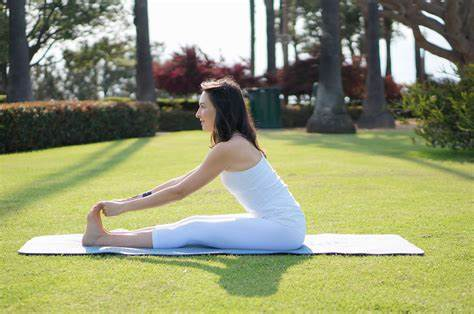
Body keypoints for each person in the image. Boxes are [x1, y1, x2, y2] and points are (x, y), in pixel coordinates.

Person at [82, 76, 307, 250]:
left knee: (193, 228)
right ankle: (108, 236)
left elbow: (179, 192)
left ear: (222, 110)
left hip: (283, 230)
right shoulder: (233, 144)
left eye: (203, 107)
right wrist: (127, 200)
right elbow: (180, 181)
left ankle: (102, 238)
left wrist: (124, 208)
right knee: (194, 220)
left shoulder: (229, 148)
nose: (197, 113)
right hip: (279, 225)